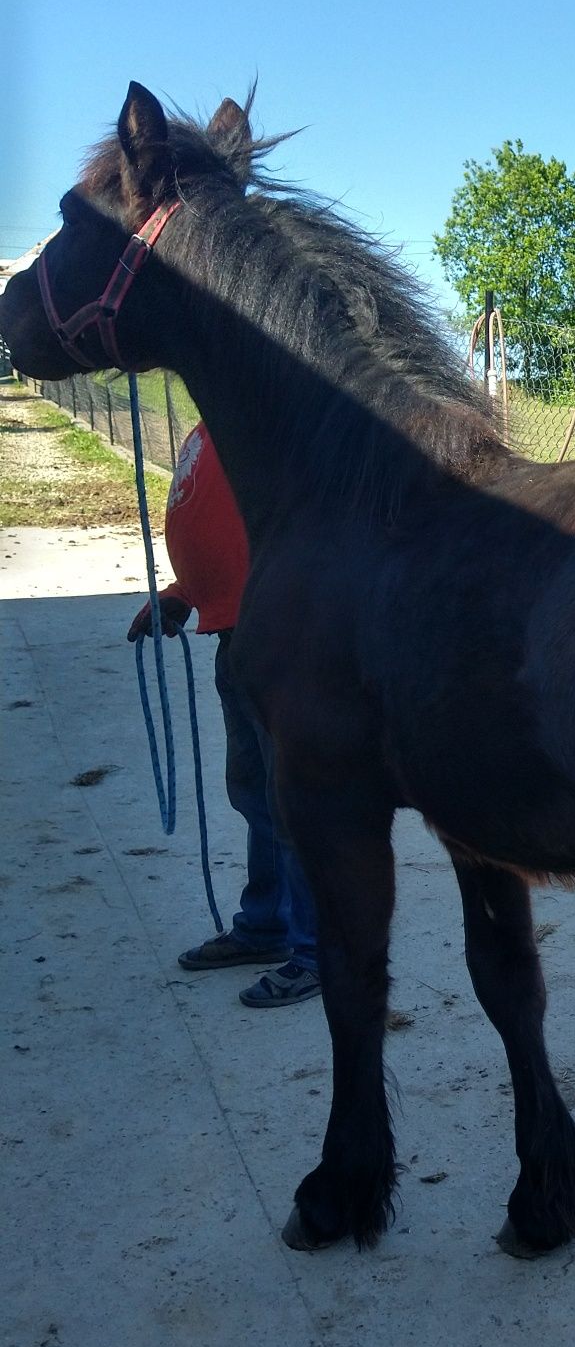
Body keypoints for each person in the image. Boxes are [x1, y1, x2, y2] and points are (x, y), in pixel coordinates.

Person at [127, 420, 321, 1007]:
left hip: (279, 634)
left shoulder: (275, 416)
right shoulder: (214, 419)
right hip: (234, 631)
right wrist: (186, 593)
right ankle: (267, 924)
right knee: (255, 794)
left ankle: (319, 951)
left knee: (293, 800)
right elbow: (227, 525)